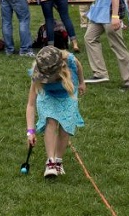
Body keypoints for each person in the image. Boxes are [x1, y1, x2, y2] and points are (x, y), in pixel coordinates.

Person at [26, 46, 85, 178]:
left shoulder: (70, 61)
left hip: (68, 95)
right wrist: (30, 131)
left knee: (65, 128)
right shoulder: (38, 73)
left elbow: (79, 67)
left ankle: (58, 160)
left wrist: (82, 82)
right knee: (51, 121)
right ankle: (50, 162)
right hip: (48, 96)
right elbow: (30, 104)